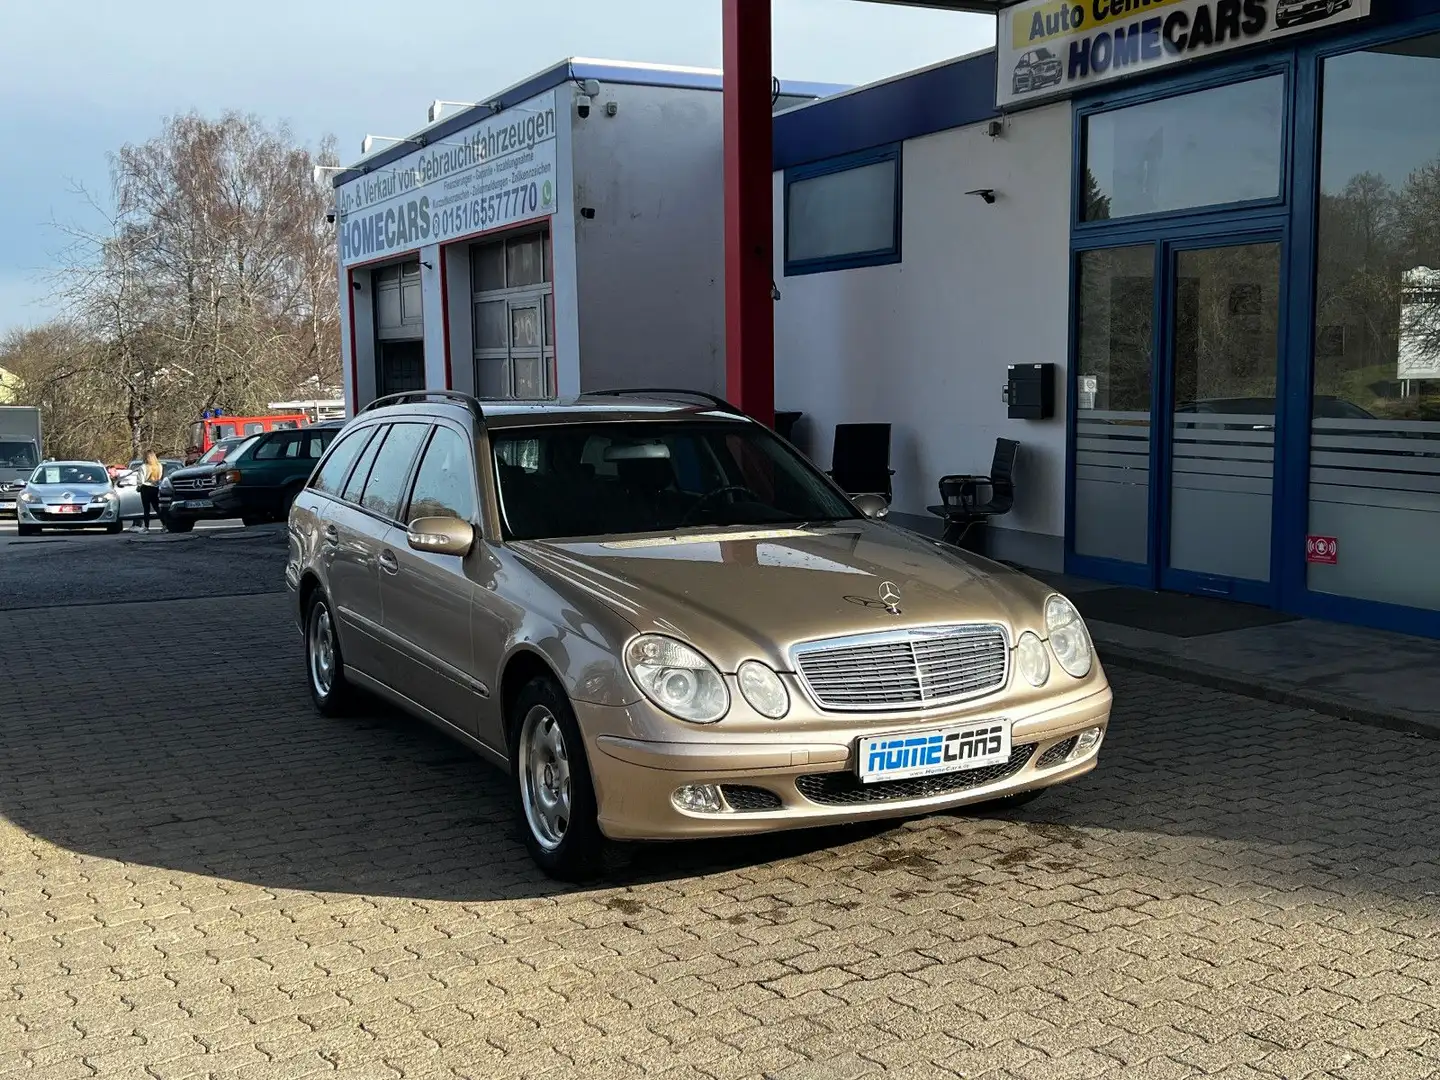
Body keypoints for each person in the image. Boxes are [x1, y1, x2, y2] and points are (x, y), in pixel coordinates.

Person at [132, 450, 163, 533]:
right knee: (157, 508)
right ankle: (165, 525)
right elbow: (159, 478)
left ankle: (146, 527)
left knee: (146, 509)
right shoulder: (159, 466)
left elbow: (140, 480)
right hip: (155, 487)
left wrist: (138, 487)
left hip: (145, 488)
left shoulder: (144, 467)